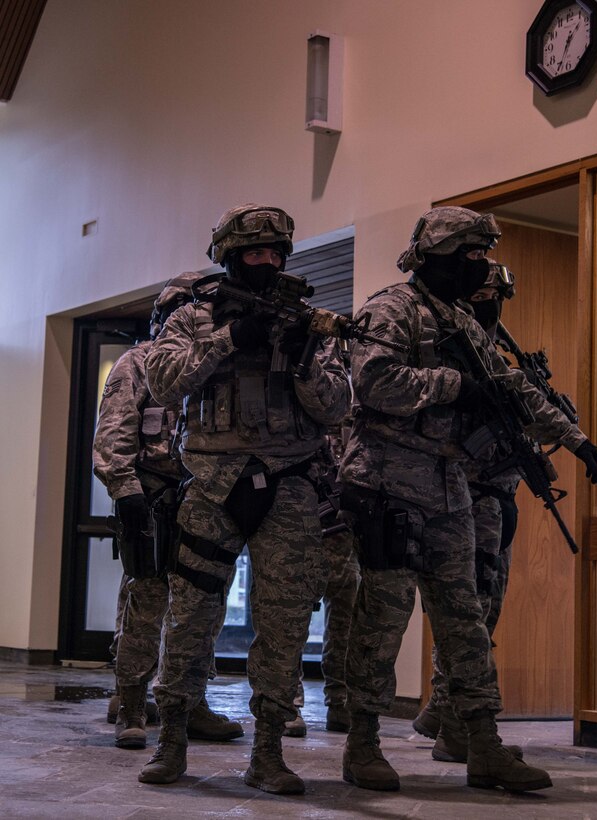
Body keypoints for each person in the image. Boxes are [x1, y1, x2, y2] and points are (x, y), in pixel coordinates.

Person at [337, 206, 597, 794]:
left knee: (464, 620)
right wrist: (450, 384)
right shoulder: (391, 309)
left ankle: (481, 743)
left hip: (448, 491)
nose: (480, 268)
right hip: (388, 490)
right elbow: (373, 383)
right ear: (437, 256)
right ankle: (361, 744)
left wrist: (574, 439)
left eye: (483, 256)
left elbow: (508, 389)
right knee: (383, 620)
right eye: (470, 256)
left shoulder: (462, 320)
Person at [140, 204, 350, 793]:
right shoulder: (192, 316)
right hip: (212, 483)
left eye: (276, 253)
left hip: (289, 483)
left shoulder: (305, 320)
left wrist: (305, 358)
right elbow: (162, 381)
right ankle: (172, 741)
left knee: (284, 621)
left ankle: (268, 753)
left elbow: (336, 408)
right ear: (231, 257)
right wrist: (231, 338)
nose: (267, 263)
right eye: (254, 253)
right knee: (190, 616)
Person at [93, 272, 244, 750]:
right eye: (181, 307)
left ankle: (191, 701)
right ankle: (132, 703)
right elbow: (114, 431)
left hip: (207, 492)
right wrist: (125, 489)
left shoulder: (219, 362)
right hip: (154, 494)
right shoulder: (138, 363)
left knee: (203, 606)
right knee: (148, 601)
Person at [413, 261, 523, 760]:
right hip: (466, 498)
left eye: (493, 295)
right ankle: (456, 727)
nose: (487, 305)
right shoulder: (447, 357)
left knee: (484, 609)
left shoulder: (497, 358)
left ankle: (443, 708)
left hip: (500, 500)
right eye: (478, 295)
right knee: (471, 615)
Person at [284, 420, 360, 738]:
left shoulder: (351, 386)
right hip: (295, 518)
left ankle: (340, 701)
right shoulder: (297, 379)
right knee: (288, 616)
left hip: (344, 525)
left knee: (345, 616)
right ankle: (287, 702)